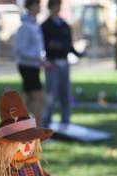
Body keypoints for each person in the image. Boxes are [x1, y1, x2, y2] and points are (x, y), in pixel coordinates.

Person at [41, 0, 82, 129]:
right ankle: (47, 121)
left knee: (65, 92)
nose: (57, 8)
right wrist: (52, 47)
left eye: (59, 5)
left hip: (64, 62)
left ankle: (66, 122)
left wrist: (78, 53)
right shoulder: (45, 26)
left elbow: (69, 45)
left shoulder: (64, 25)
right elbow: (43, 44)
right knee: (51, 93)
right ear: (50, 7)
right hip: (52, 63)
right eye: (55, 5)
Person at [14, 0, 46, 122]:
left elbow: (37, 47)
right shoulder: (25, 26)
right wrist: (36, 58)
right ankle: (36, 130)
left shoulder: (34, 25)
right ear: (31, 6)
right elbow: (20, 50)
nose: (40, 7)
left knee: (27, 97)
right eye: (37, 5)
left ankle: (20, 127)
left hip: (34, 66)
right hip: (27, 66)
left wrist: (41, 59)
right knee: (38, 98)